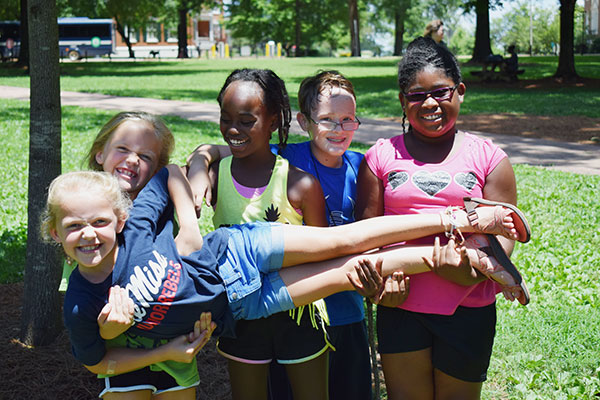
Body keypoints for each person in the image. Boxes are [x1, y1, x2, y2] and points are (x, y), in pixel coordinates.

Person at [43, 165, 527, 399]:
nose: (89, 234)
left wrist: (189, 224)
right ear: (54, 234)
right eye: (73, 227)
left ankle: (461, 217)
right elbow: (99, 361)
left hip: (238, 249)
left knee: (345, 241)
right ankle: (464, 253)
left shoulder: (137, 231)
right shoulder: (83, 305)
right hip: (244, 305)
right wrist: (164, 354)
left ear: (119, 220)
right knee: (344, 276)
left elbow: (169, 174)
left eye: (99, 223)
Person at [187, 70, 395, 400]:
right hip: (282, 309)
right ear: (303, 121)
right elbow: (231, 146)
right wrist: (200, 163)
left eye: (347, 120)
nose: (338, 129)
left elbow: (369, 234)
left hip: (343, 311)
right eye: (327, 119)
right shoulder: (288, 156)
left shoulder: (363, 167)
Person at [355, 36, 531, 400]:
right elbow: (365, 236)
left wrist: (465, 272)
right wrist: (377, 292)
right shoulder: (380, 157)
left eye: (441, 92)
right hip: (399, 305)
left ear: (460, 91)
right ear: (403, 102)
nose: (430, 103)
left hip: (469, 308)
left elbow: (505, 241)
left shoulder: (490, 159)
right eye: (417, 95)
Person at [191, 68, 334, 400]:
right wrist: (200, 163)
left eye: (245, 120)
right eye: (225, 118)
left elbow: (326, 250)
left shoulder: (300, 185)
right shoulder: (214, 177)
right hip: (241, 316)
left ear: (272, 121)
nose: (232, 129)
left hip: (300, 312)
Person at [59, 111, 175, 291]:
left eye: (145, 157)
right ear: (100, 154)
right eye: (122, 149)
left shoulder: (161, 210)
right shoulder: (78, 205)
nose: (132, 160)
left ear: (156, 170)